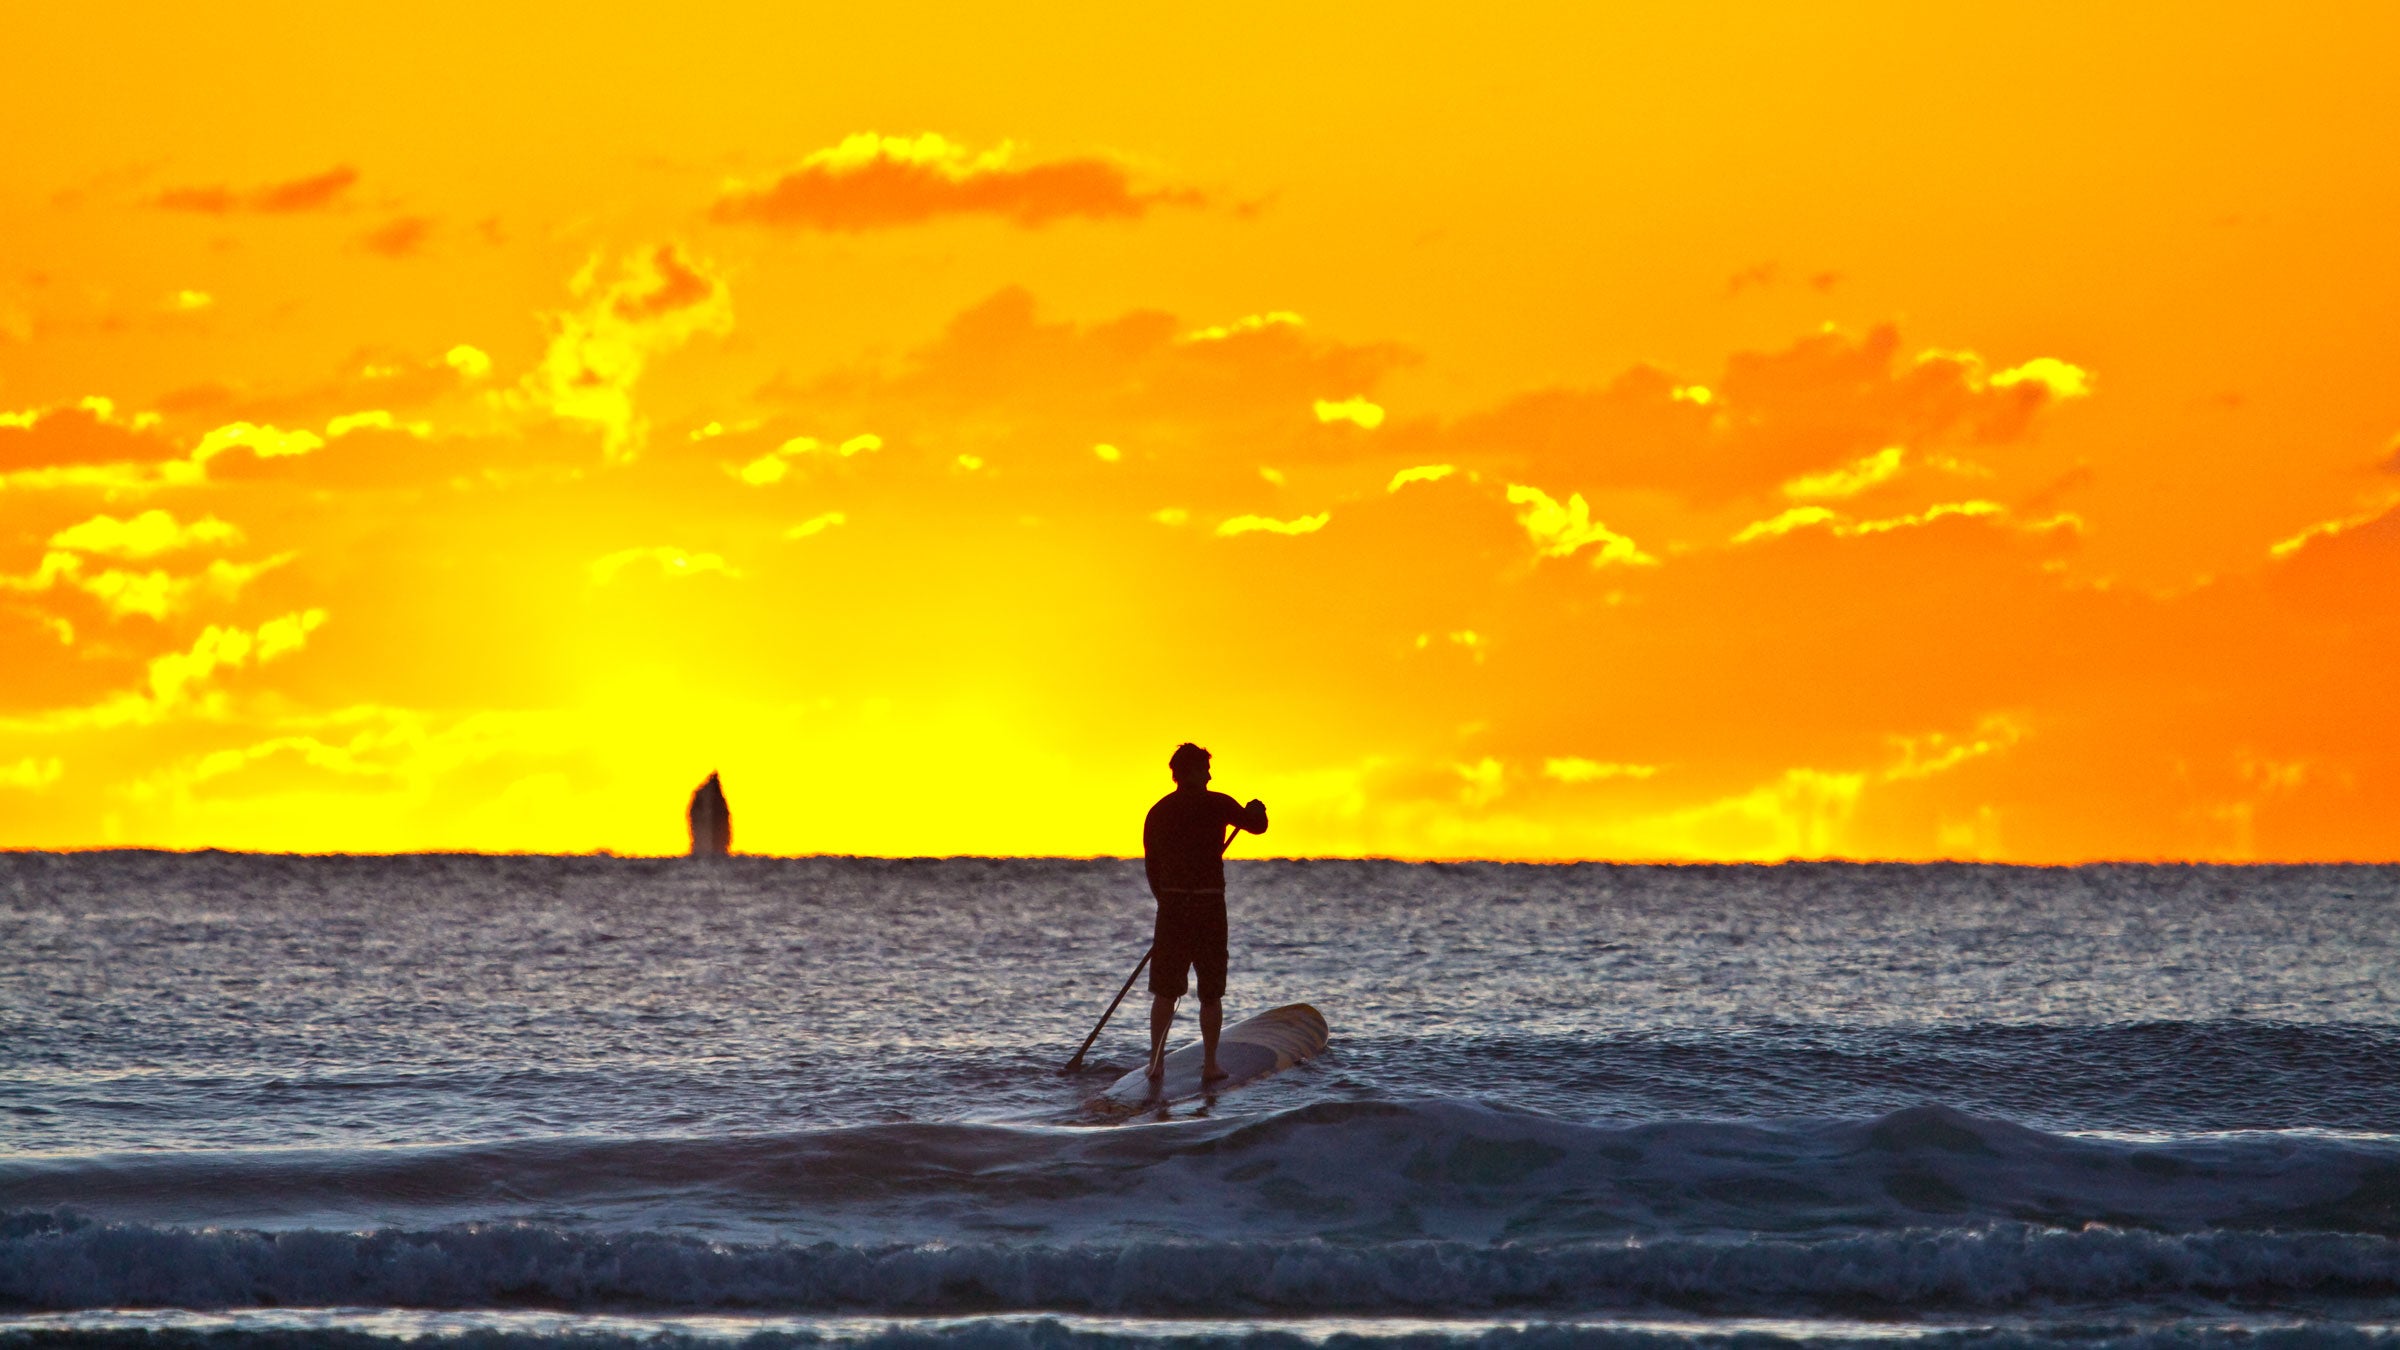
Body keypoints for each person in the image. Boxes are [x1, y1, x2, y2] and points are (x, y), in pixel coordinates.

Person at [1142, 743, 1268, 1083]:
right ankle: (1210, 1065)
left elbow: (1152, 867)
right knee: (1210, 993)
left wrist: (1166, 903)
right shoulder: (1218, 803)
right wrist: (1257, 809)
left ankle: (1156, 1065)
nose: (1210, 776)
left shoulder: (1158, 812)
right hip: (1209, 909)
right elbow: (1257, 827)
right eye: (1206, 769)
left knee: (1165, 992)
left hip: (1172, 909)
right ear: (1194, 772)